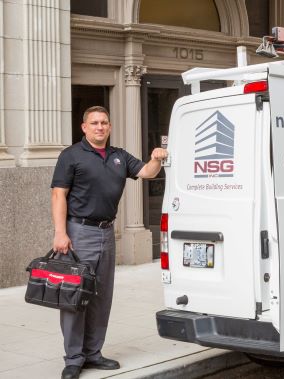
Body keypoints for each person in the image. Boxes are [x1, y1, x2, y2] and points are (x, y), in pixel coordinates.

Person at [51, 106, 168, 379]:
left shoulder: (119, 156)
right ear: (84, 127)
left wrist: (157, 158)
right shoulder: (71, 156)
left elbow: (148, 172)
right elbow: (59, 195)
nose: (100, 127)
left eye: (104, 122)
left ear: (110, 126)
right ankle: (73, 358)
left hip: (107, 233)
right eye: (94, 123)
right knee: (74, 296)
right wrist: (60, 232)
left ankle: (93, 354)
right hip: (78, 233)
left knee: (101, 297)